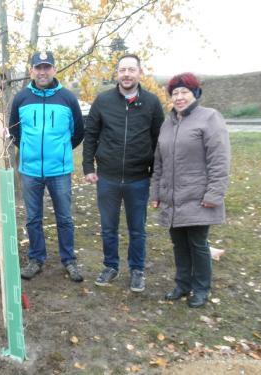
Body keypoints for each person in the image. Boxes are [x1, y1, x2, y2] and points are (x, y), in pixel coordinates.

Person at [82, 54, 165, 292]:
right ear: (116, 73)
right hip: (107, 178)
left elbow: (159, 140)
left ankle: (137, 270)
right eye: (122, 70)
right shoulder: (103, 101)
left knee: (137, 228)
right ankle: (110, 266)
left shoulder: (152, 103)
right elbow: (91, 135)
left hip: (138, 178)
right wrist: (89, 167)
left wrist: (155, 173)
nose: (126, 74)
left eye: (131, 69)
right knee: (108, 227)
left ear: (140, 73)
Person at [151, 72, 230, 308]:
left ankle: (201, 288)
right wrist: (155, 193)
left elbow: (219, 159)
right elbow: (159, 163)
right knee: (179, 244)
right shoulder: (167, 124)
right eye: (175, 93)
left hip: (198, 197)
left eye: (184, 92)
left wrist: (214, 194)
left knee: (198, 244)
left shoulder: (210, 119)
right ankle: (182, 284)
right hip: (172, 198)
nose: (179, 97)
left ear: (195, 94)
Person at [9, 51, 85, 282]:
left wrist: (59, 151)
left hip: (59, 171)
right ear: (31, 70)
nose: (42, 72)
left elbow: (78, 132)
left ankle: (69, 260)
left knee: (64, 218)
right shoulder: (21, 98)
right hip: (30, 171)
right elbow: (15, 130)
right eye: (38, 67)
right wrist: (30, 151)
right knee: (33, 218)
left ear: (54, 69)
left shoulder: (68, 99)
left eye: (47, 67)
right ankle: (36, 259)